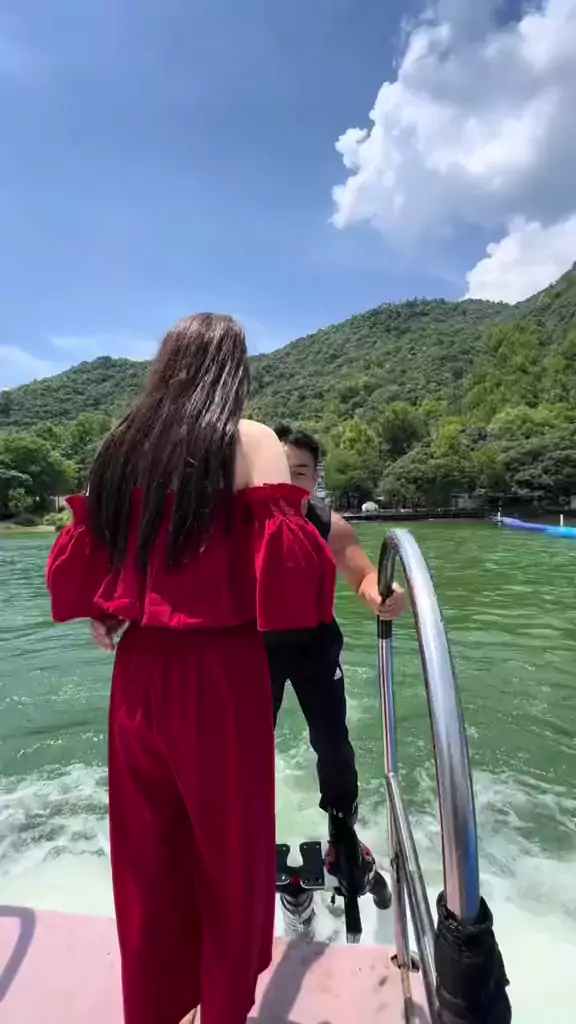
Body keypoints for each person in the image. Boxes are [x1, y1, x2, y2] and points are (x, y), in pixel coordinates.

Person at [45, 315, 336, 1024]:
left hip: (137, 674)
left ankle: (155, 1008)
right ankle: (222, 1009)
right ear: (235, 370)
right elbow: (290, 580)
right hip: (219, 674)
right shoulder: (250, 438)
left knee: (146, 861)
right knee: (228, 860)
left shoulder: (122, 443)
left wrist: (113, 606)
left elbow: (90, 560)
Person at [268, 424, 405, 896]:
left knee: (333, 743)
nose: (288, 481)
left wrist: (383, 596)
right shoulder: (236, 523)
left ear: (315, 477)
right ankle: (243, 830)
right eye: (277, 470)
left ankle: (342, 831)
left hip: (314, 644)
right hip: (254, 648)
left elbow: (362, 575)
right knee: (244, 747)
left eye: (300, 472)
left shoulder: (329, 524)